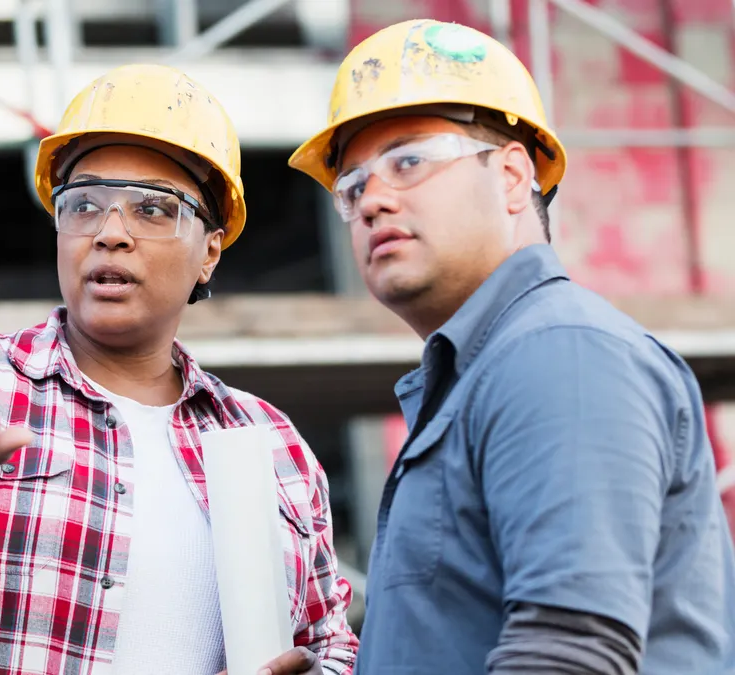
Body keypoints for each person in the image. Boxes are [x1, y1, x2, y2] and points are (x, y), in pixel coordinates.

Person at [0, 63, 359, 675]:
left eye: (154, 210)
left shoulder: (273, 447)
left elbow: (331, 648)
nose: (110, 233)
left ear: (209, 252)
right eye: (83, 204)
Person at [288, 18, 735, 675]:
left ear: (511, 175)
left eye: (408, 161)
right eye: (353, 188)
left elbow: (568, 653)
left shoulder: (560, 355)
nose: (375, 200)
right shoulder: (485, 375)